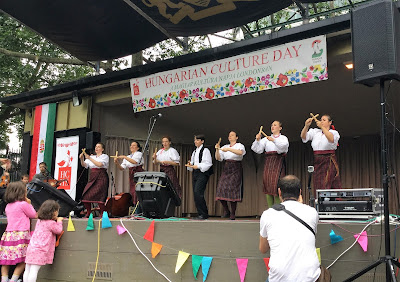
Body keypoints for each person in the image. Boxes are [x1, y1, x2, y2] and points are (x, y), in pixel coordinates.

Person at [259, 175, 320, 282]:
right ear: (300, 192)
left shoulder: (267, 215)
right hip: (310, 277)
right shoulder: (312, 213)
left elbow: (263, 249)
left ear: (279, 192)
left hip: (279, 278)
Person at [0, 181, 37, 282]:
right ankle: (14, 279)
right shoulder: (23, 204)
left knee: (6, 260)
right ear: (22, 193)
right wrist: (29, 204)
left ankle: (4, 279)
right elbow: (34, 215)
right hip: (21, 234)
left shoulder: (8, 206)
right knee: (25, 259)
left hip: (8, 235)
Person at [251, 121, 289, 208]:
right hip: (269, 162)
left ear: (280, 128)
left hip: (278, 162)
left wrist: (274, 140)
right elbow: (257, 149)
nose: (272, 126)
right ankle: (271, 209)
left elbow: (283, 147)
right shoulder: (266, 139)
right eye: (271, 125)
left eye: (275, 125)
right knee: (268, 186)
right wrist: (257, 140)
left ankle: (279, 209)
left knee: (277, 186)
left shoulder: (283, 138)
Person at [23, 200, 63, 282]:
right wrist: (59, 221)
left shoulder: (39, 221)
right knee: (34, 270)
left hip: (31, 248)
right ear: (54, 212)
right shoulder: (51, 223)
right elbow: (58, 230)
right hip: (40, 250)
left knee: (28, 269)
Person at [300, 114, 341, 189]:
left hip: (328, 159)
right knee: (317, 181)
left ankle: (328, 199)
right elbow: (303, 136)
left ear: (330, 122)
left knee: (327, 181)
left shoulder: (334, 132)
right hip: (317, 159)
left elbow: (331, 139)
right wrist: (306, 126)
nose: (321, 121)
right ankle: (318, 199)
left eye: (324, 120)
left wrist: (322, 127)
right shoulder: (315, 132)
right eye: (321, 120)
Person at [215, 131, 246, 220]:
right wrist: (217, 149)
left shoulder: (239, 145)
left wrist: (229, 149)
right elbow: (218, 158)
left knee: (233, 190)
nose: (230, 137)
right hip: (227, 167)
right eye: (229, 135)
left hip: (236, 167)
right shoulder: (225, 146)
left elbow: (240, 153)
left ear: (236, 137)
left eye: (232, 135)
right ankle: (226, 210)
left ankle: (233, 213)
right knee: (221, 189)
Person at [185, 135, 213, 220]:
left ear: (202, 141)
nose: (195, 141)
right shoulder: (194, 152)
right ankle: (201, 213)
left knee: (198, 192)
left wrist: (198, 166)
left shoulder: (205, 150)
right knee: (195, 193)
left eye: (197, 140)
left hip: (202, 173)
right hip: (196, 173)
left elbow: (208, 163)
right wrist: (190, 165)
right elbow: (192, 164)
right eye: (195, 140)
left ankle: (203, 214)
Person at [79, 142, 109, 218]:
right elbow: (84, 165)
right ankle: (89, 212)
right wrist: (82, 159)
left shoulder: (104, 156)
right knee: (85, 195)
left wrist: (89, 158)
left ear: (102, 149)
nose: (96, 148)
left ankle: (103, 213)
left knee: (100, 196)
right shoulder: (93, 157)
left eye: (98, 147)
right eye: (96, 146)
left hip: (101, 176)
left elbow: (99, 164)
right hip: (93, 176)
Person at [114, 141, 144, 205]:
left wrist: (124, 157)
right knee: (133, 191)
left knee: (138, 191)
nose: (131, 147)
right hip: (131, 174)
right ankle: (135, 205)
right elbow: (122, 168)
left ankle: (139, 207)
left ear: (138, 148)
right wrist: (117, 163)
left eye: (134, 145)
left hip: (139, 173)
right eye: (131, 145)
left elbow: (135, 162)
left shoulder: (139, 153)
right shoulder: (128, 156)